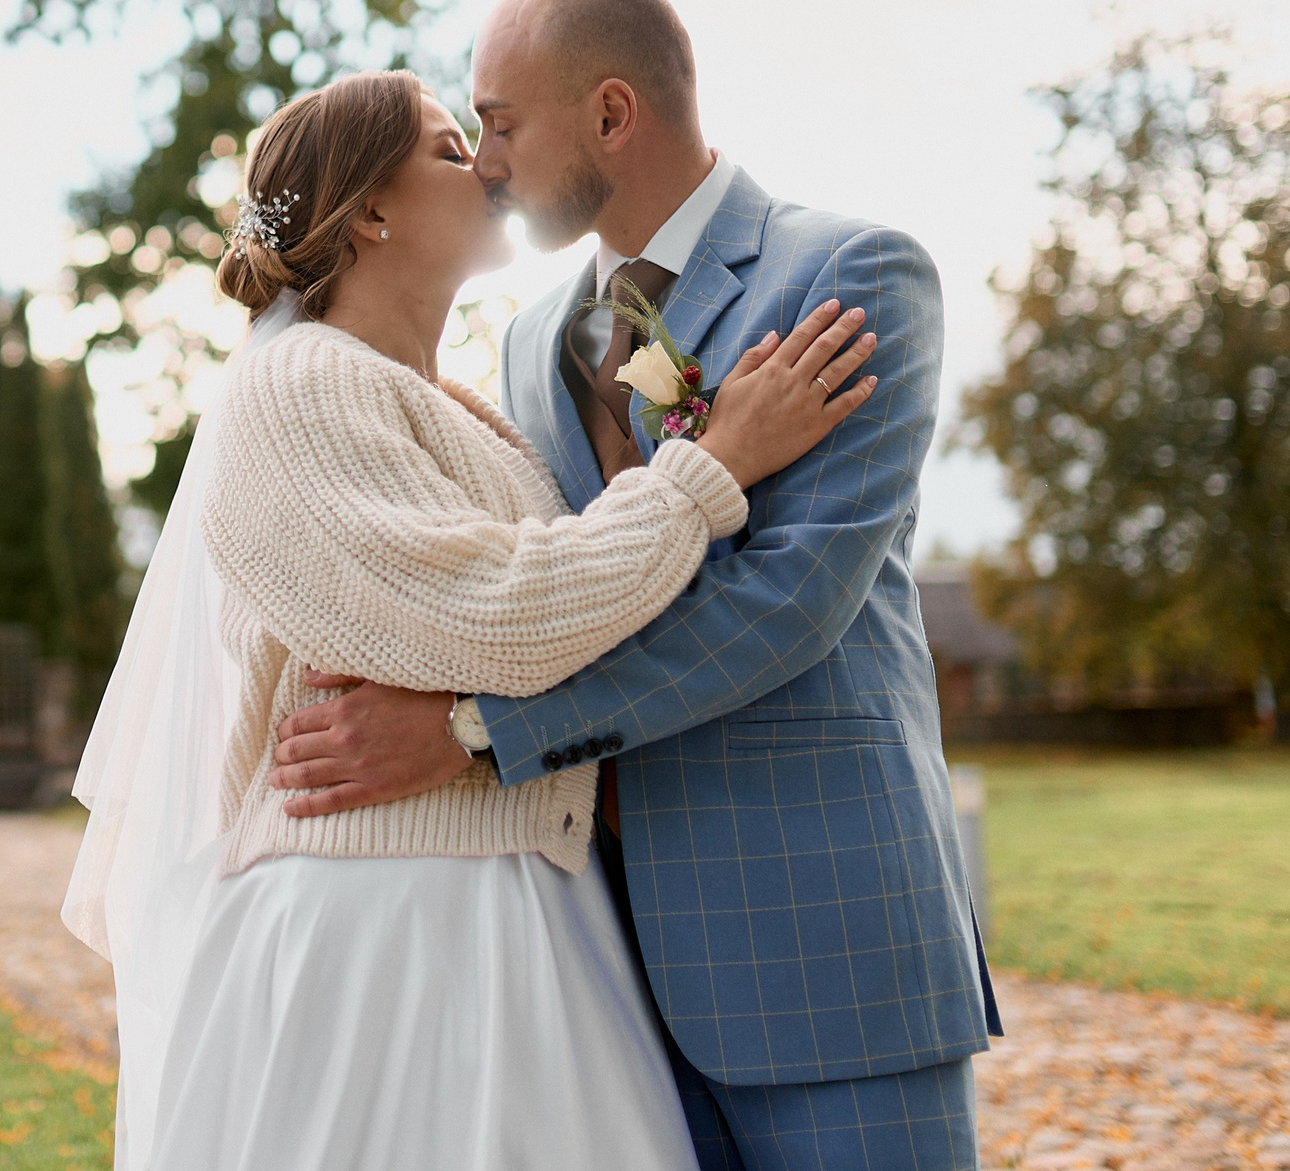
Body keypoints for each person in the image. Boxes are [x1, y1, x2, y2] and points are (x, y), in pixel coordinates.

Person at [64, 62, 883, 1169]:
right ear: (372, 213)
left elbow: (543, 618)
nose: (489, 167)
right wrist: (711, 464)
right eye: (451, 149)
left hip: (508, 910)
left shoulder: (448, 406)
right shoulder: (300, 384)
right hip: (379, 938)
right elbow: (494, 615)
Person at [263, 0, 1003, 1170]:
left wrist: (470, 732)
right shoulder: (524, 350)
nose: (485, 163)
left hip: (823, 949)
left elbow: (787, 605)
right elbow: (551, 591)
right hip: (593, 981)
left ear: (611, 113)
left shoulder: (848, 276)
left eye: (498, 125)